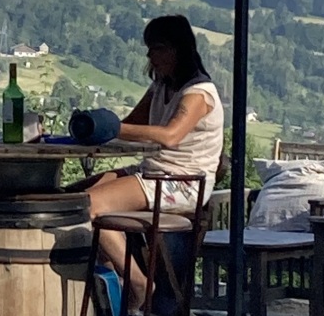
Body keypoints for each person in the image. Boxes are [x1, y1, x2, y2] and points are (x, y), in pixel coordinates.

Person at [83, 15, 225, 281]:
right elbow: (130, 125)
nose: (150, 54)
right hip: (154, 173)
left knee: (86, 206)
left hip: (181, 182)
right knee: (70, 198)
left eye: (158, 47)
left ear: (178, 49)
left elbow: (170, 136)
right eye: (150, 47)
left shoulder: (198, 93)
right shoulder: (161, 85)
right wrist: (90, 133)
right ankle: (110, 281)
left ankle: (136, 284)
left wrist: (110, 127)